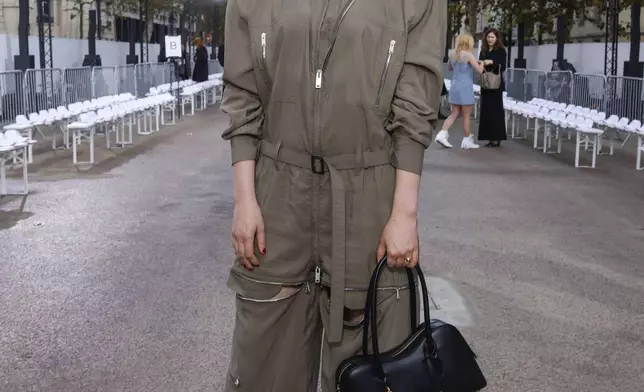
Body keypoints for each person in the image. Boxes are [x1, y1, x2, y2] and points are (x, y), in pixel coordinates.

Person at [220, 0, 445, 391]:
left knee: (372, 371)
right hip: (278, 198)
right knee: (264, 369)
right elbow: (243, 95)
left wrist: (405, 215)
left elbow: (416, 103)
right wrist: (244, 201)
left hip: (370, 201)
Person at [434, 33, 485, 150]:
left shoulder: (453, 55)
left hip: (455, 86)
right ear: (468, 42)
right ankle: (467, 140)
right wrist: (482, 63)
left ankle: (442, 133)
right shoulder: (468, 55)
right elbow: (480, 70)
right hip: (465, 88)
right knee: (466, 116)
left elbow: (450, 68)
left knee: (454, 113)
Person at [478, 27, 507, 147]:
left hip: (496, 85)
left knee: (496, 110)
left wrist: (492, 63)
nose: (490, 39)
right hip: (485, 84)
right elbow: (480, 64)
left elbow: (503, 66)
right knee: (486, 111)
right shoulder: (483, 50)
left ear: (496, 38)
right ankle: (489, 137)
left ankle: (497, 137)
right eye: (488, 37)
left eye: (492, 37)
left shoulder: (501, 50)